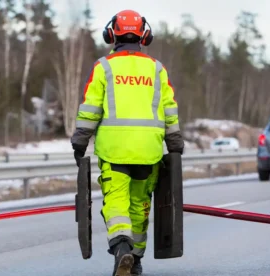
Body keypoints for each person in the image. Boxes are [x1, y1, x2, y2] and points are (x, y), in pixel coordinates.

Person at [70, 9, 184, 276]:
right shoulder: (156, 69)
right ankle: (136, 259)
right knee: (139, 207)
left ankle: (122, 248)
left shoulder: (104, 67)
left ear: (112, 34)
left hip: (115, 151)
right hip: (149, 152)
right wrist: (175, 143)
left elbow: (90, 109)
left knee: (116, 203)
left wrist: (79, 141)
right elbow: (170, 109)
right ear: (145, 37)